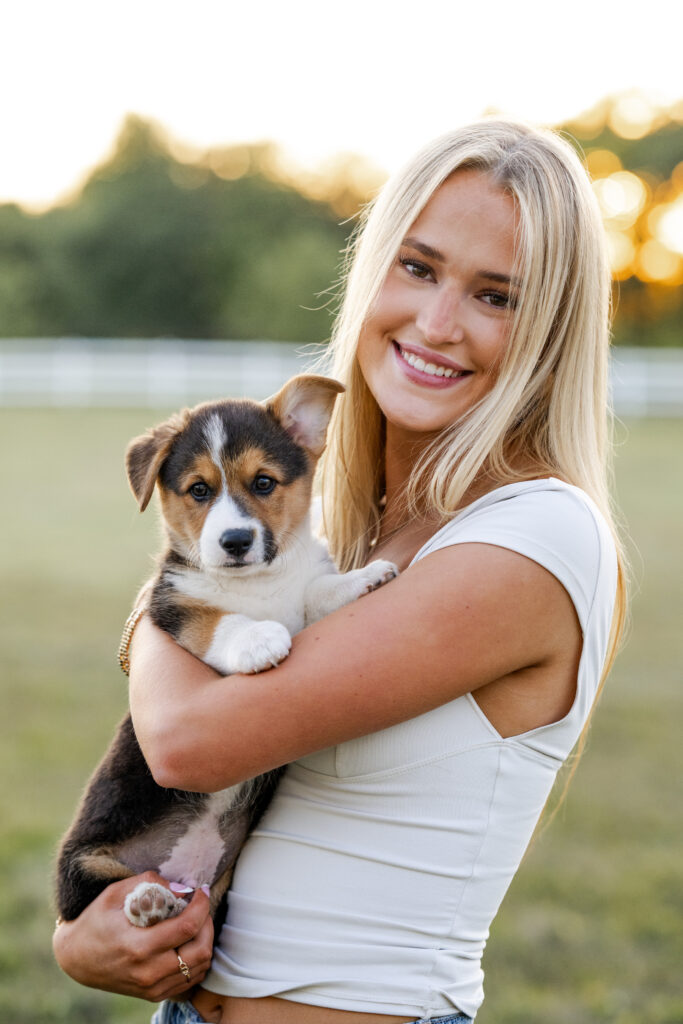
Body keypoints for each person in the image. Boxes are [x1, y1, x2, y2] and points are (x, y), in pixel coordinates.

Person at [53, 119, 627, 1023]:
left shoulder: (532, 537)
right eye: (417, 267)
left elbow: (188, 741)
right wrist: (86, 935)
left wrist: (177, 588)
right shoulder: (352, 535)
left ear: (550, 332)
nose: (437, 322)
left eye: (496, 296)